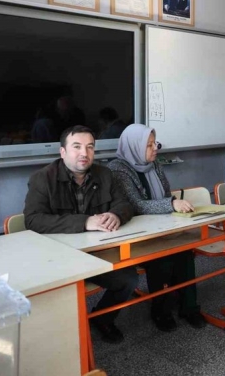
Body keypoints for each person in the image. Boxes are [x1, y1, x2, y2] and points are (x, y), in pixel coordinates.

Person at [23, 125, 137, 344]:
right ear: (63, 151)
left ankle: (103, 319)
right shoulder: (42, 178)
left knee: (128, 278)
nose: (84, 153)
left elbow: (124, 204)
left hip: (96, 253)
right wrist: (84, 222)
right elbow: (33, 220)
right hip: (58, 258)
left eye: (90, 147)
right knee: (60, 298)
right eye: (77, 147)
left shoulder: (105, 174)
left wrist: (116, 215)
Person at [108, 124, 206, 332]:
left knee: (184, 252)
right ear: (134, 146)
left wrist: (171, 205)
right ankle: (161, 310)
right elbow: (137, 205)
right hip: (135, 234)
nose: (155, 149)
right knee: (163, 259)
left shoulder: (154, 164)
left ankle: (189, 307)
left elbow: (166, 194)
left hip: (161, 228)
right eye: (149, 145)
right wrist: (171, 204)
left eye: (155, 143)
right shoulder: (118, 169)